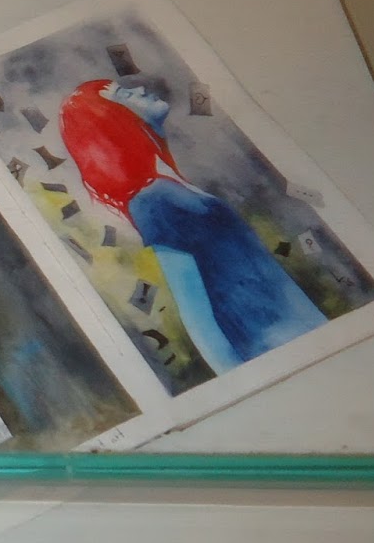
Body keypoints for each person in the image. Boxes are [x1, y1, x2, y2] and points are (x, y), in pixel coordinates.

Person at [59, 78, 326, 373]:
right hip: (271, 347)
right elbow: (196, 314)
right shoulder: (154, 202)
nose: (139, 90)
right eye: (123, 93)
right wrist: (237, 376)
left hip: (303, 330)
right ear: (114, 119)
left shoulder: (168, 185)